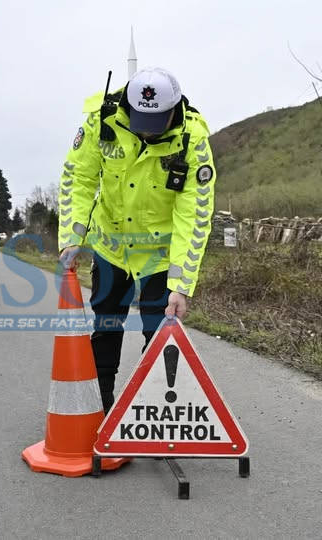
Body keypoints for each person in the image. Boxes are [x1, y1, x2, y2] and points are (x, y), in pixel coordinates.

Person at [57, 67, 217, 414]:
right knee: (107, 327)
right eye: (141, 118)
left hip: (160, 254)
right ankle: (98, 410)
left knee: (159, 333)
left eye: (157, 120)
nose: (147, 129)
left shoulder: (193, 141)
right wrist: (72, 237)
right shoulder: (102, 123)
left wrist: (181, 284)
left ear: (174, 110)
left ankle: (152, 414)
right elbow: (78, 178)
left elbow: (195, 215)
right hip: (111, 245)